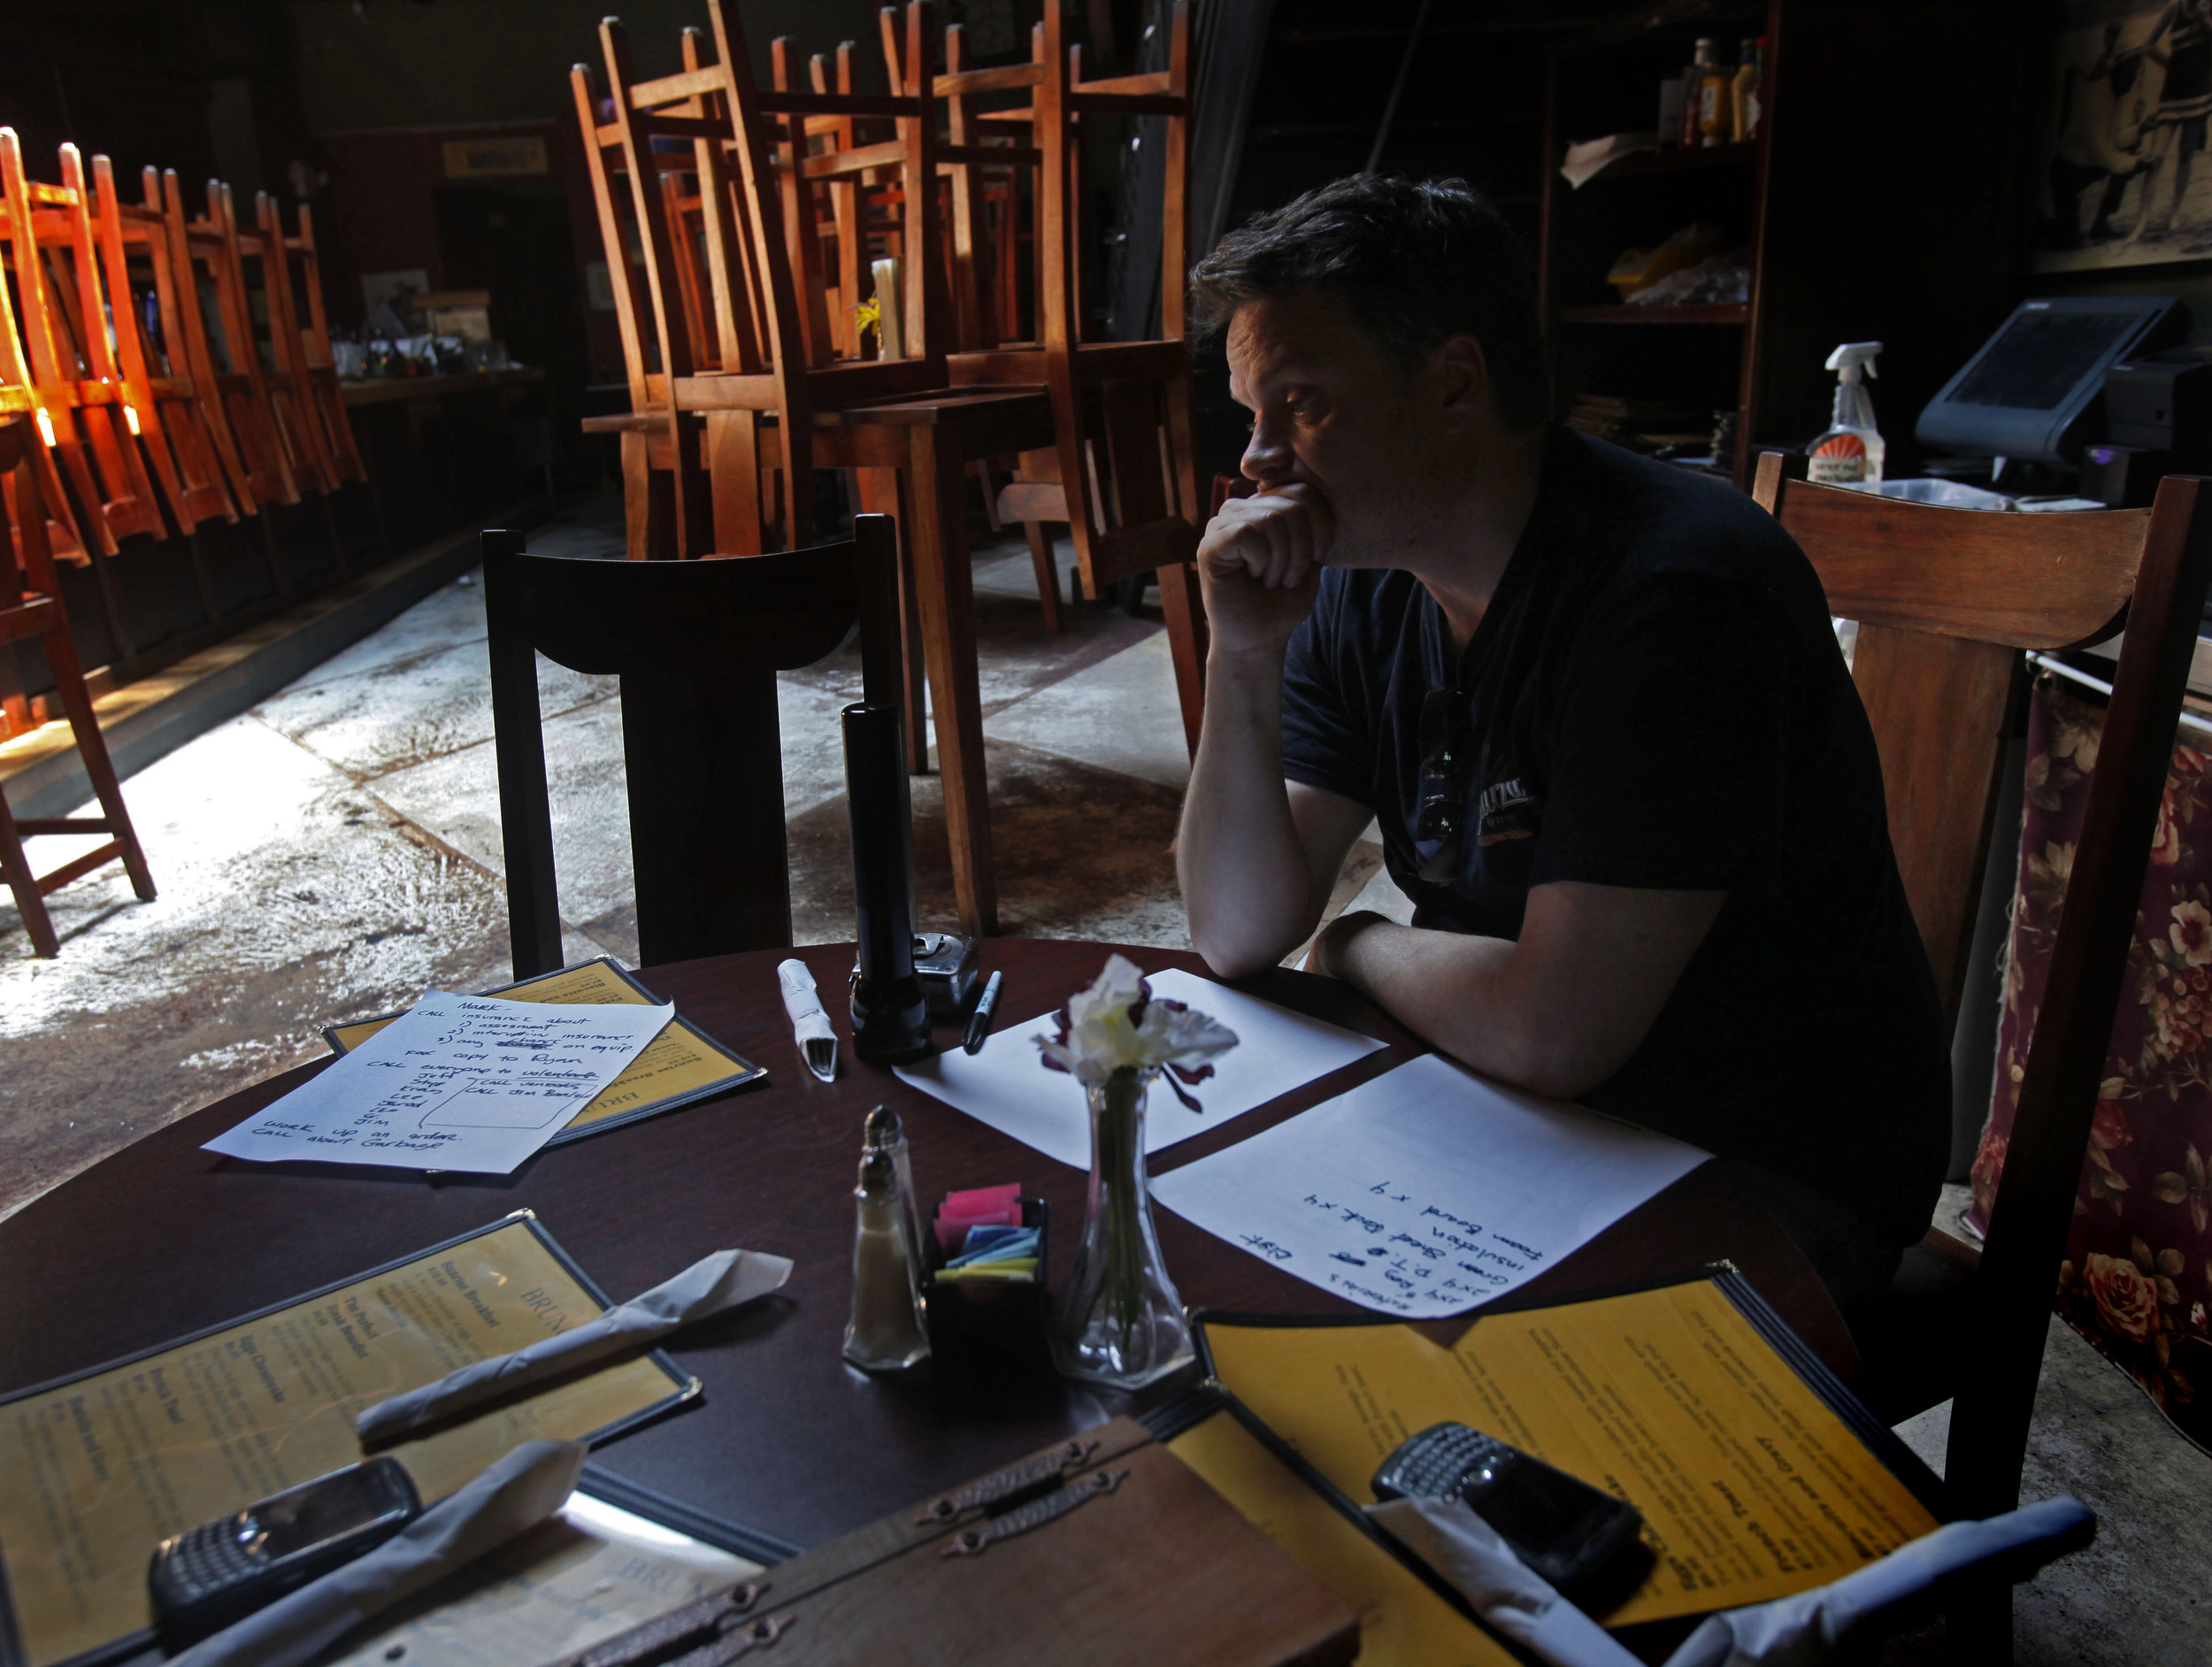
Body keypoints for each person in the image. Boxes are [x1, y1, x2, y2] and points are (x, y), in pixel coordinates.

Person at [1176, 175, 1948, 1305]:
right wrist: (1242, 656)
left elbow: (1551, 1029)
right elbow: (1235, 932)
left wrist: (1353, 946)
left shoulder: (1675, 593)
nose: (1257, 459)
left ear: (1453, 384)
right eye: (1251, 412)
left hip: (1755, 1165)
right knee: (1199, 1254)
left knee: (1346, 1378)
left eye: (1299, 403)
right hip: (1525, 1114)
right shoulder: (1368, 578)